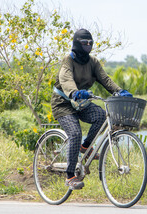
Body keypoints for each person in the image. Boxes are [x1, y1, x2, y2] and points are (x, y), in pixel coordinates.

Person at [51, 28, 132, 190]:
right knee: (75, 133)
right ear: (76, 44)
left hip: (82, 102)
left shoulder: (93, 62)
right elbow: (65, 78)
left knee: (101, 116)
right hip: (64, 102)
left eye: (90, 43)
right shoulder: (68, 60)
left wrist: (119, 91)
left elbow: (105, 79)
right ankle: (70, 176)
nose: (87, 46)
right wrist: (74, 92)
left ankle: (85, 147)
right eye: (84, 43)